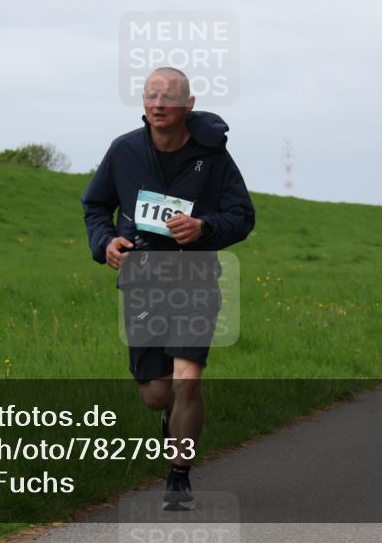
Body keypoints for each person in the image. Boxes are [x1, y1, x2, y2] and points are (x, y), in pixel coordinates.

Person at [81, 67, 255, 505]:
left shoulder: (213, 156)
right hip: (142, 281)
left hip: (195, 280)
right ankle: (169, 420)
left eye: (169, 96)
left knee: (187, 380)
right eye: (151, 95)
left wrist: (204, 227)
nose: (159, 104)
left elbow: (242, 216)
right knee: (157, 394)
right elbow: (96, 206)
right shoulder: (124, 151)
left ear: (189, 104)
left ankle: (180, 474)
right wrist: (106, 243)